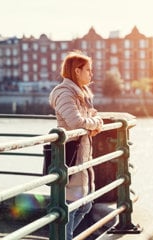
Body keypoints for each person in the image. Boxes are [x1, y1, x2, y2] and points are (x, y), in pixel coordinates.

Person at [49, 50, 103, 240]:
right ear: (77, 71)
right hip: (69, 158)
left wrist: (94, 122)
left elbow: (95, 115)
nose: (91, 74)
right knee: (70, 207)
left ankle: (66, 236)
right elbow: (77, 122)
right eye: (88, 70)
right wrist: (94, 124)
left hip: (82, 158)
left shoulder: (82, 94)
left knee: (86, 204)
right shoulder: (65, 93)